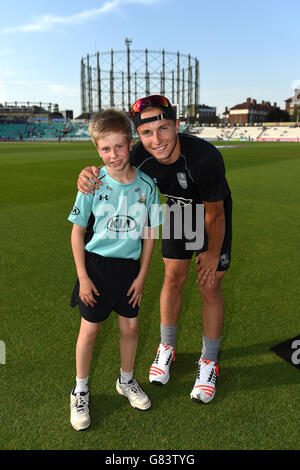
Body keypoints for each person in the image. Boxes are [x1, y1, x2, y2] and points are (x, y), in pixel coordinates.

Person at [77, 95, 232, 405]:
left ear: (176, 125)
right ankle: (167, 348)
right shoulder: (138, 154)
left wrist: (212, 253)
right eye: (147, 133)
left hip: (210, 216)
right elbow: (113, 163)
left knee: (209, 286)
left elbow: (214, 214)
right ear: (138, 136)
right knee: (173, 278)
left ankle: (209, 362)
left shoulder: (204, 157)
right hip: (177, 212)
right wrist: (87, 172)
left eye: (163, 129)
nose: (156, 140)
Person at [68, 109, 162, 431]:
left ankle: (126, 380)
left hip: (130, 270)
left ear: (130, 143)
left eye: (118, 147)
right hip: (95, 268)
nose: (113, 155)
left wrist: (141, 276)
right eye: (105, 149)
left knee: (131, 329)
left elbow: (150, 235)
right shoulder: (92, 182)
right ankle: (80, 389)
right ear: (97, 150)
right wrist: (82, 276)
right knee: (90, 331)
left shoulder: (148, 187)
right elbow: (78, 231)